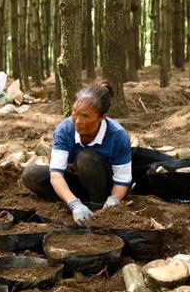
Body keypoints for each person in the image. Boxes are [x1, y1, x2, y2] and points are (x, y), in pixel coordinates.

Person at [21, 81, 132, 226]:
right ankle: (77, 201)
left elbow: (122, 180)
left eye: (86, 116)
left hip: (105, 186)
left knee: (85, 158)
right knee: (31, 174)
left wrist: (114, 200)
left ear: (102, 117)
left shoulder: (117, 135)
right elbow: (56, 175)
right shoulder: (64, 129)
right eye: (75, 112)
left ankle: (96, 206)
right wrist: (74, 204)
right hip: (79, 184)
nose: (77, 121)